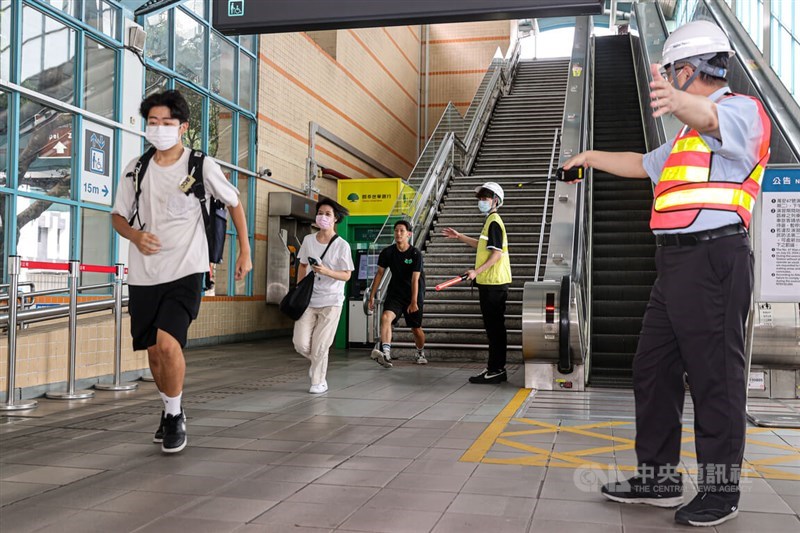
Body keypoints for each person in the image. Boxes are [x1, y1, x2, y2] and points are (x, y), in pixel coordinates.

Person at [562, 20, 771, 527]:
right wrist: (589, 156)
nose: (668, 79)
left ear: (689, 69)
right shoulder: (683, 137)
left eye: (672, 71)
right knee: (651, 369)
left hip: (714, 259)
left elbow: (715, 120)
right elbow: (642, 163)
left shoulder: (740, 111)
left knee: (714, 379)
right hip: (673, 264)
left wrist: (686, 106)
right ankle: (658, 478)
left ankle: (722, 491)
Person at [111, 90, 252, 453]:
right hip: (144, 274)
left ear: (183, 127)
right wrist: (135, 236)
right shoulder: (135, 169)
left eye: (167, 123)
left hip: (187, 269)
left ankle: (174, 417)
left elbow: (234, 203)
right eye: (153, 123)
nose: (159, 129)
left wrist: (245, 252)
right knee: (154, 352)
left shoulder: (200, 165)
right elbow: (117, 216)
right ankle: (169, 406)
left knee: (168, 343)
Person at [442, 181, 512, 384]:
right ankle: (493, 367)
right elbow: (483, 245)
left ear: (496, 201)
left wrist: (476, 272)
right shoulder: (490, 221)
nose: (481, 202)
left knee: (495, 329)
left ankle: (497, 369)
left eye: (485, 198)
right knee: (493, 328)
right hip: (489, 283)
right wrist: (459, 237)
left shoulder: (495, 221)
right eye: (480, 199)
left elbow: (496, 255)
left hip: (494, 283)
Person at [293, 198, 353, 394]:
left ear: (335, 219)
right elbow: (302, 264)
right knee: (300, 343)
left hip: (332, 300)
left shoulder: (342, 245)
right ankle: (317, 362)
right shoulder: (309, 240)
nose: (323, 217)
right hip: (309, 299)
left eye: (328, 214)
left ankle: (318, 381)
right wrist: (298, 287)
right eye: (320, 213)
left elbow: (347, 275)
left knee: (321, 344)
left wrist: (326, 271)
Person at [368, 220, 427, 367]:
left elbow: (415, 280)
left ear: (409, 234)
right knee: (386, 317)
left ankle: (420, 351)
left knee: (416, 329)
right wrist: (372, 296)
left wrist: (414, 302)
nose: (398, 233)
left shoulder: (415, 254)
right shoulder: (387, 252)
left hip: (414, 294)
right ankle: (386, 354)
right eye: (396, 231)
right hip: (395, 293)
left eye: (401, 231)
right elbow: (379, 274)